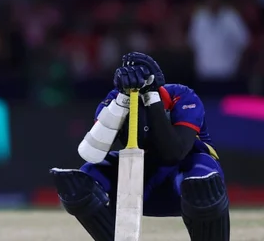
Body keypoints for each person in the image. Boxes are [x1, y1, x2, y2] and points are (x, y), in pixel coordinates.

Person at [50, 52, 230, 241]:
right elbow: (90, 153)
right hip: (138, 180)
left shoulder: (183, 96)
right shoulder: (113, 100)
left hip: (181, 181)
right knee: (78, 184)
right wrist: (123, 100)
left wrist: (151, 96)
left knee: (202, 181)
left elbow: (174, 153)